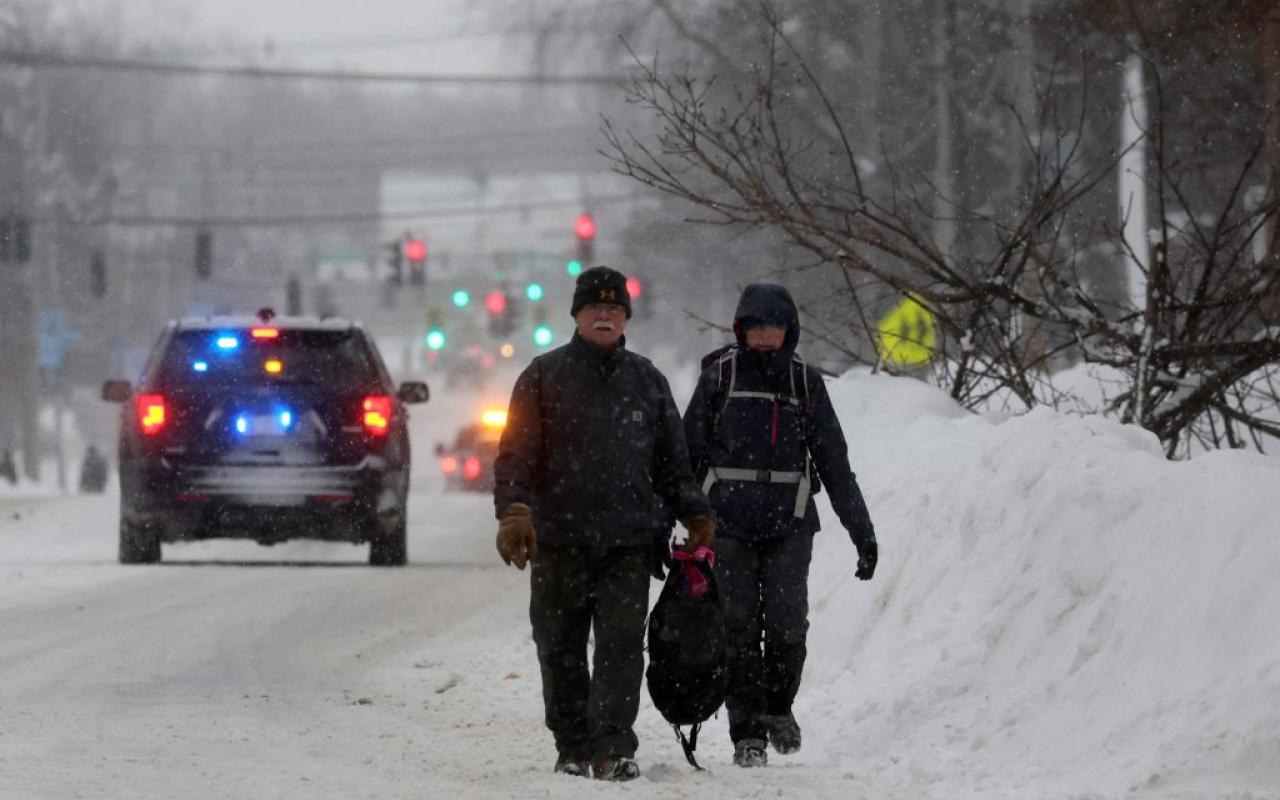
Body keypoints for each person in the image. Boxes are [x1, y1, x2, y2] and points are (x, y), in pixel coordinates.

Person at [493, 265, 715, 782]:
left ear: (626, 318)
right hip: (558, 540)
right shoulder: (543, 376)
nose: (604, 315)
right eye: (595, 308)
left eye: (614, 309)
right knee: (559, 645)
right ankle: (571, 743)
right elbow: (515, 454)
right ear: (576, 315)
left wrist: (697, 513)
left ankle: (613, 747)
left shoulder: (648, 381)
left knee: (620, 647)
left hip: (629, 543)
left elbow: (672, 465)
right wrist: (514, 510)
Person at [683, 283, 878, 768]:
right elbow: (685, 457)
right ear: (742, 330)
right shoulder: (719, 378)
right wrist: (673, 522)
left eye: (774, 326)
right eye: (756, 326)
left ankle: (779, 708)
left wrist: (862, 532)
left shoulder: (805, 384)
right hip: (727, 523)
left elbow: (834, 463)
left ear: (789, 330)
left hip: (789, 524)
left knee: (789, 625)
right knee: (739, 627)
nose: (766, 336)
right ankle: (747, 732)